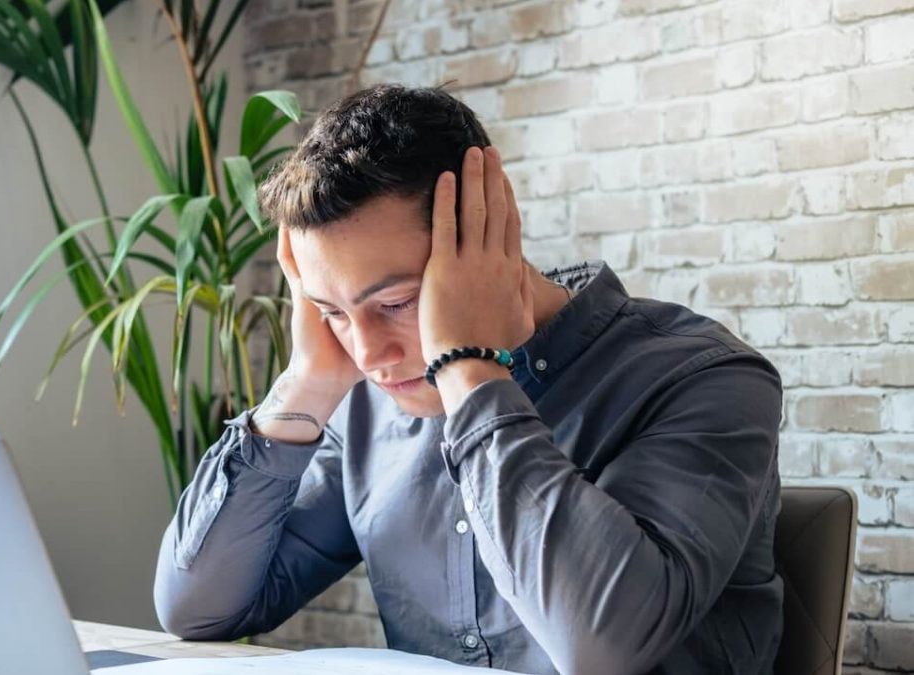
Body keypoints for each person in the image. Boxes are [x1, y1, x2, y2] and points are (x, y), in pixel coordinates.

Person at [153, 83, 783, 675]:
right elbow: (199, 610)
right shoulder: (373, 399)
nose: (370, 354)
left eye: (395, 302)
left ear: (491, 233)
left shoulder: (703, 378)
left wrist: (469, 367)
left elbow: (602, 647)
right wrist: (307, 381)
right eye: (333, 312)